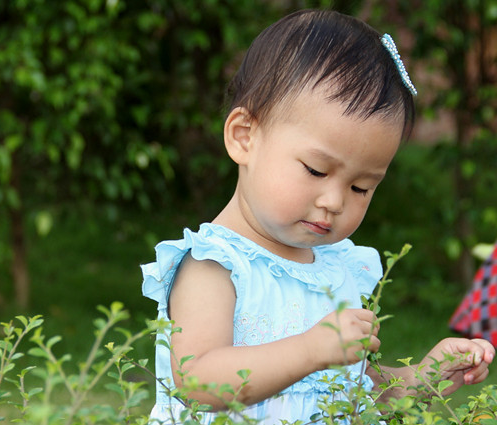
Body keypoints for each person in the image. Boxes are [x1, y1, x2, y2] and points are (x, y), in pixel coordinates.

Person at [141, 9, 495, 424]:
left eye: (361, 187)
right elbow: (197, 381)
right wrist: (310, 351)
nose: (334, 200)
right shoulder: (215, 264)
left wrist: (423, 377)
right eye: (315, 170)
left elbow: (353, 389)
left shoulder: (336, 269)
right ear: (244, 137)